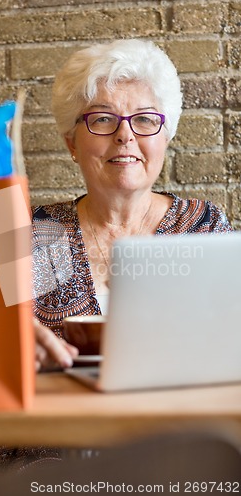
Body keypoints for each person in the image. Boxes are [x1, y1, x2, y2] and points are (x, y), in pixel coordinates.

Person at [32, 38, 232, 369]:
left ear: (164, 137)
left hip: (180, 415)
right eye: (103, 119)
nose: (125, 135)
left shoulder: (204, 227)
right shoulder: (36, 234)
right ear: (72, 142)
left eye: (144, 119)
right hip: (64, 416)